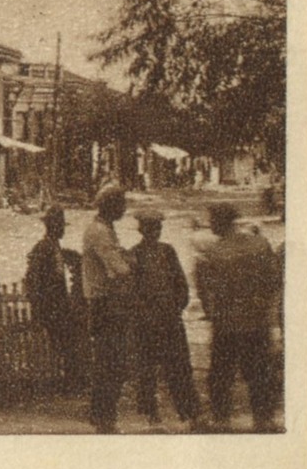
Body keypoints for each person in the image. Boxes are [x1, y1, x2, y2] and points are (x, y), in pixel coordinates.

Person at [194, 202, 280, 431]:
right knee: (259, 372)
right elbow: (274, 279)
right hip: (256, 320)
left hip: (227, 322)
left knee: (221, 374)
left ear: (220, 223)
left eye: (212, 221)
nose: (210, 226)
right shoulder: (259, 244)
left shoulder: (212, 254)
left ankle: (221, 419)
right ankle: (263, 419)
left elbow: (204, 289)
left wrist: (212, 312)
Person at [127, 209, 201, 430]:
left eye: (157, 228)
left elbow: (181, 284)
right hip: (147, 322)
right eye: (149, 229)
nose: (154, 233)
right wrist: (145, 312)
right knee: (147, 369)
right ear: (142, 230)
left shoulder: (168, 251)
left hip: (169, 320)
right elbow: (132, 290)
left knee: (179, 368)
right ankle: (151, 415)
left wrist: (176, 306)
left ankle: (189, 414)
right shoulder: (134, 254)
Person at [82, 184, 133, 433]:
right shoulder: (100, 232)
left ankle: (103, 415)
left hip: (107, 302)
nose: (124, 209)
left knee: (111, 362)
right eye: (121, 204)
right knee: (110, 362)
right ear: (111, 206)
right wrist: (132, 266)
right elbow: (118, 268)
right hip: (105, 304)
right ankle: (104, 417)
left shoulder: (105, 229)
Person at [25, 206, 81, 392]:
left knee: (70, 342)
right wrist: (39, 305)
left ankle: (71, 380)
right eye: (59, 226)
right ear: (52, 227)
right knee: (64, 342)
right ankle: (67, 382)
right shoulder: (43, 248)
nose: (62, 230)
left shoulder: (55, 247)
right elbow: (32, 279)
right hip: (51, 306)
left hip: (60, 304)